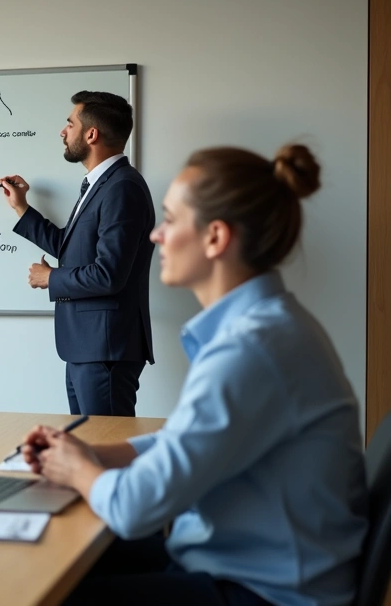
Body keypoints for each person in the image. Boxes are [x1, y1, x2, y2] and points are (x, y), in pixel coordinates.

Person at [21, 144, 367, 606]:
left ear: (215, 238)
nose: (155, 236)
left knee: (47, 587)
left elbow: (134, 508)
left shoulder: (249, 349)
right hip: (250, 565)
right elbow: (183, 441)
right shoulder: (267, 326)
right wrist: (97, 454)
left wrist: (78, 471)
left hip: (263, 592)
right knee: (60, 554)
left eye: (169, 220)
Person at [0, 91, 155, 417]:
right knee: (87, 447)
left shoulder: (121, 187)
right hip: (88, 346)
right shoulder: (101, 185)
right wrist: (22, 209)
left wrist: (51, 277)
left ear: (91, 134)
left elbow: (109, 274)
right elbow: (73, 250)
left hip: (104, 348)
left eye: (70, 124)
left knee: (104, 448)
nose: (62, 131)